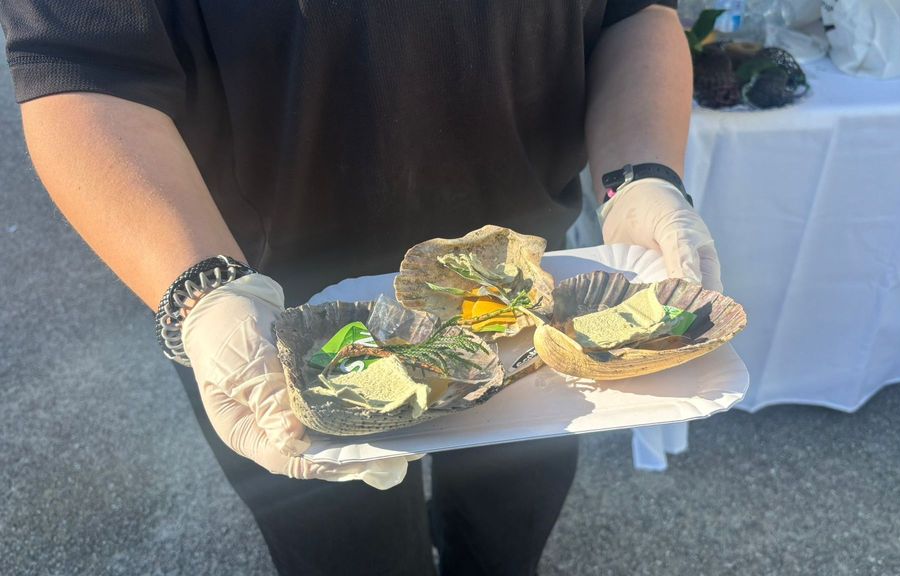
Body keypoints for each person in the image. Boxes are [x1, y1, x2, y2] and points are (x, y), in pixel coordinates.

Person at [1, 1, 721, 574]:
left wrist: (640, 176)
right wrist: (202, 291)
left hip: (516, 291)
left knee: (510, 525)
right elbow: (81, 65)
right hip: (268, 308)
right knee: (344, 554)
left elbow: (635, 11)